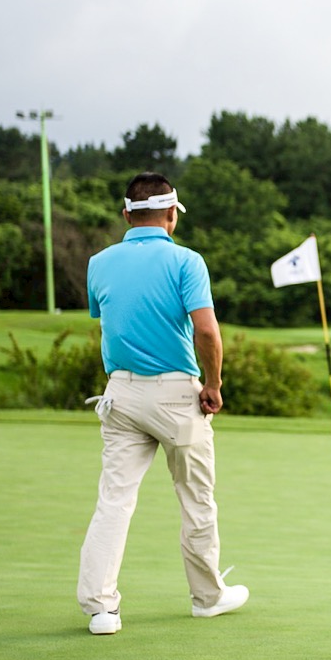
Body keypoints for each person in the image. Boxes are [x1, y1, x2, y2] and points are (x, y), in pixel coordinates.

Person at [77, 171, 248, 635]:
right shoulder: (187, 261)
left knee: (114, 500)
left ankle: (101, 609)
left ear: (126, 214)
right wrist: (214, 384)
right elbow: (206, 330)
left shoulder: (99, 262)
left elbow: (110, 316)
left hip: (121, 394)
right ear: (172, 213)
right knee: (196, 499)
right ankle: (207, 598)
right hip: (176, 395)